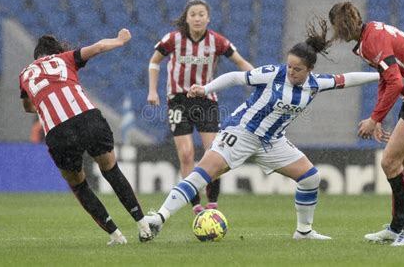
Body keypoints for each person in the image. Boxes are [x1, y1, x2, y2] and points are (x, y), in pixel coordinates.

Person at [144, 18, 380, 240]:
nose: (290, 71)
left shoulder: (316, 84)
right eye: (289, 66)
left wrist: (380, 74)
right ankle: (159, 218)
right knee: (203, 174)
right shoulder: (272, 73)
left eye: (297, 69)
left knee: (310, 178)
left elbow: (346, 79)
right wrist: (206, 89)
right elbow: (236, 77)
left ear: (309, 70)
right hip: (241, 132)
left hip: (273, 142)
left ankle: (304, 232)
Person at [328, 2, 404, 246]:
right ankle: (397, 227)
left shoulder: (372, 39)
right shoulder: (371, 34)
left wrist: (374, 119)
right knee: (401, 161)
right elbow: (387, 79)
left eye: (334, 26)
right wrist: (378, 117)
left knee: (389, 161)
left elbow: (394, 82)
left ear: (340, 25)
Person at [19, 29, 153, 246]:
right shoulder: (65, 58)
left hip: (58, 131)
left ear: (36, 56)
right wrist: (119, 40)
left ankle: (116, 235)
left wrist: (48, 102)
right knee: (110, 169)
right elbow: (98, 47)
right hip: (87, 118)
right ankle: (143, 226)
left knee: (79, 185)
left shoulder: (25, 73)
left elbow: (27, 107)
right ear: (55, 51)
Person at [147, 0, 253, 214]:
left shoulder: (217, 41)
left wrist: (261, 80)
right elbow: (154, 61)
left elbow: (241, 63)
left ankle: (212, 203)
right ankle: (196, 205)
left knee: (214, 152)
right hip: (178, 100)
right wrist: (152, 90)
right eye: (193, 14)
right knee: (186, 154)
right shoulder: (173, 39)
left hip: (206, 100)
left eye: (201, 14)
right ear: (186, 18)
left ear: (208, 18)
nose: (197, 18)